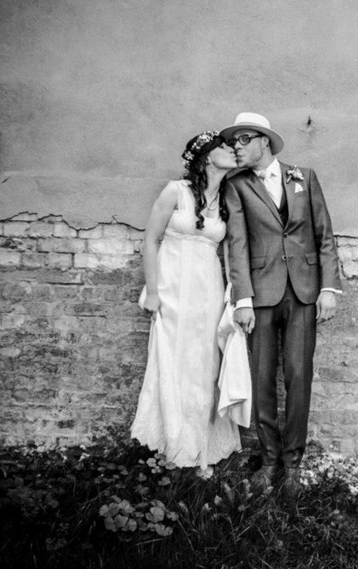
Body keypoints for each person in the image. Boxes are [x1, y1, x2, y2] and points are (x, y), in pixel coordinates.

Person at [220, 112, 342, 495]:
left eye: (243, 140)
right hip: (259, 294)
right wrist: (241, 299)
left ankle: (293, 463)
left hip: (304, 292)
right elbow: (236, 243)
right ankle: (269, 458)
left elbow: (324, 236)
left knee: (298, 375)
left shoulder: (304, 177)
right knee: (261, 379)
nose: (236, 147)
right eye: (234, 141)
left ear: (264, 142)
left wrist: (330, 289)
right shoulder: (236, 185)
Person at [130, 130, 242, 476]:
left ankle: (199, 450)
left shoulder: (227, 199)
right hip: (172, 289)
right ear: (207, 156)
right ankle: (172, 447)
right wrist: (152, 290)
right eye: (224, 147)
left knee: (204, 364)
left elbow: (229, 253)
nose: (232, 149)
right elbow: (150, 239)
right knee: (171, 363)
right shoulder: (174, 192)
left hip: (207, 291)